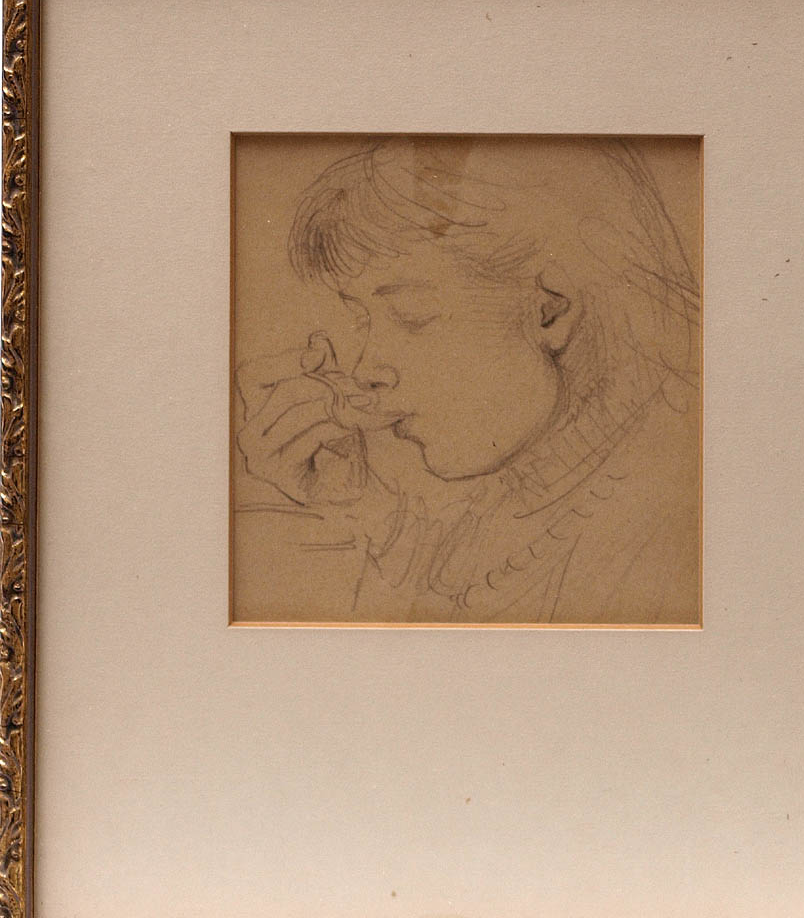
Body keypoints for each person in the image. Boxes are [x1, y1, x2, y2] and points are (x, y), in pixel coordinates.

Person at [235, 136, 700, 624]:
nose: (364, 369)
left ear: (552, 310)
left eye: (410, 312)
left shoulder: (666, 524)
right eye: (361, 319)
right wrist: (353, 504)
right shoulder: (509, 510)